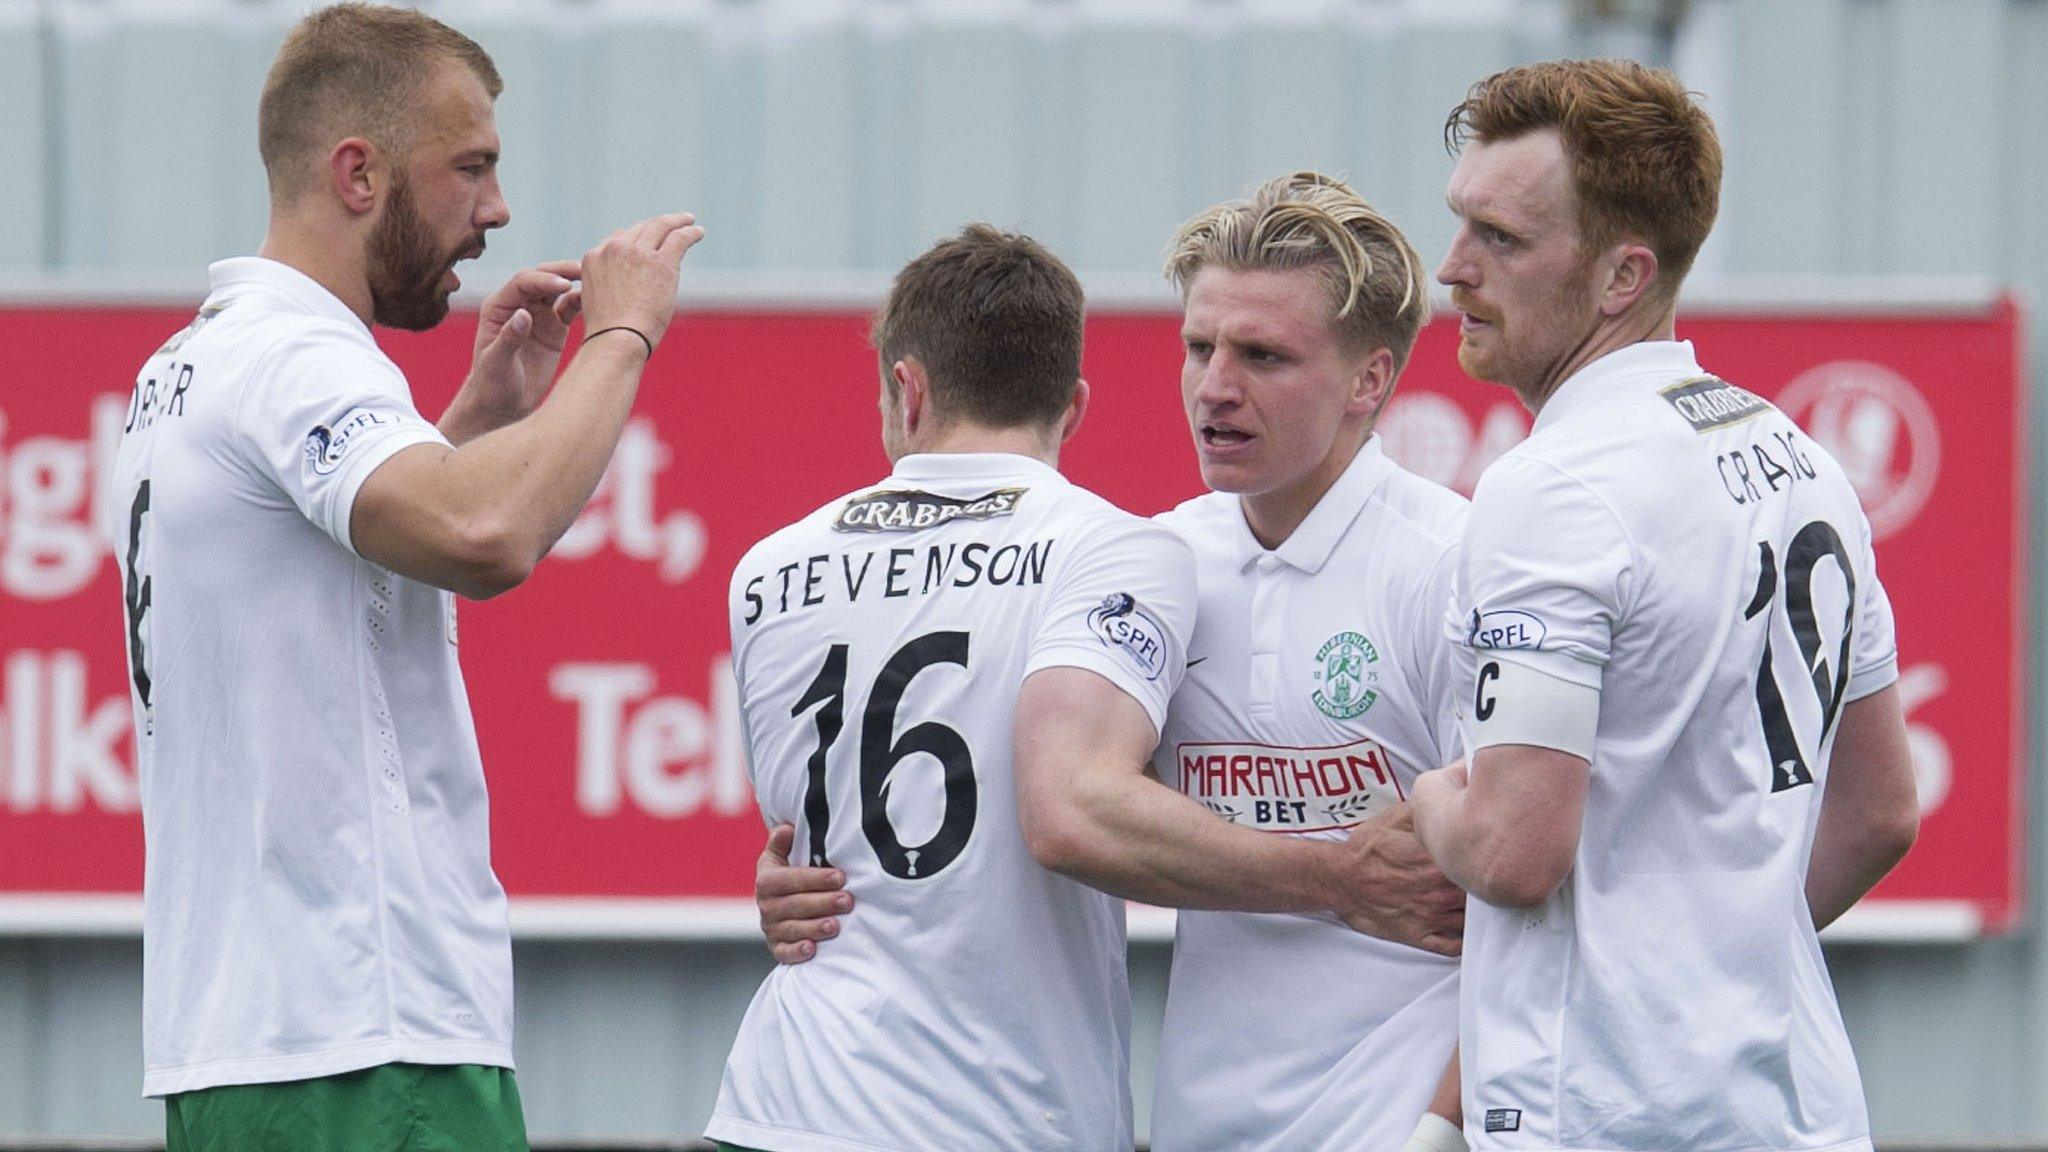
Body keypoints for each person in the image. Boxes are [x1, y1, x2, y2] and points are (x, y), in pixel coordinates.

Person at [748, 174, 1474, 1152]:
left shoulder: (1456, 565)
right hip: (1201, 1125)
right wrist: (815, 875)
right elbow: (1044, 804)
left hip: (1397, 1128)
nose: (1215, 384)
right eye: (1197, 346)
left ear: (1369, 381)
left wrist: (1442, 1128)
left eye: (1262, 355)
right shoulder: (1161, 560)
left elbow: (1561, 891)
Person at [111, 5, 702, 1150]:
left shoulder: (188, 362)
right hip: (366, 1039)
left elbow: (342, 554)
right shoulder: (299, 355)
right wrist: (621, 339)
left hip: (243, 1043)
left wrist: (469, 419)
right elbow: (487, 533)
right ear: (357, 173)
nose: (497, 209)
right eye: (470, 167)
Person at [1408, 59, 1918, 1152]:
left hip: (1603, 1116)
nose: (1451, 270)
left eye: (1498, 239)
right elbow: (1879, 812)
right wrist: (1704, 970)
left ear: (1620, 277)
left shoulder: (1553, 486)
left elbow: (1508, 850)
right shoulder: (1798, 456)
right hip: (1795, 1112)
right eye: (1459, 227)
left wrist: (1424, 800)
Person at [706, 224, 1199, 1152]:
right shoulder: (1114, 549)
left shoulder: (766, 570)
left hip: (781, 1103)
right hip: (1001, 1110)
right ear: (1075, 405)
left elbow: (802, 840)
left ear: (909, 388)